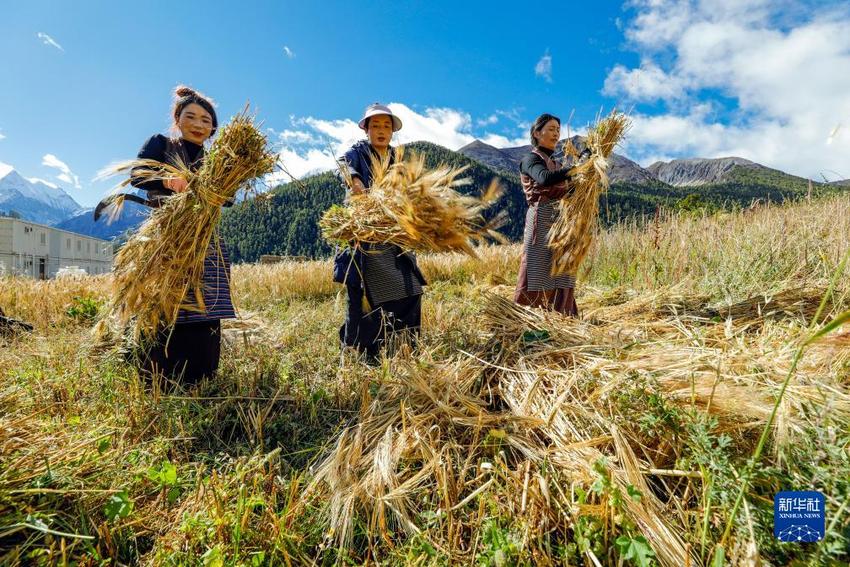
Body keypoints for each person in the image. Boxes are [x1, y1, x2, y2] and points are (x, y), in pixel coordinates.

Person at [104, 85, 236, 385]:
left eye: (206, 120)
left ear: (213, 128)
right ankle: (161, 375)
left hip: (205, 240)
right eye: (191, 117)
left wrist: (217, 190)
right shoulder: (161, 143)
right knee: (165, 302)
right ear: (178, 119)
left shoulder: (217, 161)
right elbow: (138, 175)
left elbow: (228, 198)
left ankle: (202, 374)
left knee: (207, 303)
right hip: (166, 237)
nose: (198, 125)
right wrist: (170, 181)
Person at [334, 103, 427, 361]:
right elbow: (342, 164)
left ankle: (404, 350)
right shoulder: (358, 153)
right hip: (366, 237)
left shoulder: (398, 159)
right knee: (364, 298)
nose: (381, 130)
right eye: (375, 125)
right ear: (366, 129)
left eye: (386, 126)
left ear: (393, 131)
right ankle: (360, 355)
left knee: (409, 289)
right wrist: (354, 180)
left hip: (394, 236)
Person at [514, 113, 589, 315]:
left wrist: (587, 174)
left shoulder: (555, 164)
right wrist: (575, 168)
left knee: (563, 268)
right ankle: (528, 319)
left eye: (558, 129)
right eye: (551, 129)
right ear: (537, 133)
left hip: (561, 221)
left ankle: (562, 317)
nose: (556, 133)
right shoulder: (531, 159)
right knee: (537, 268)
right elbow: (544, 179)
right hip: (541, 218)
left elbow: (569, 190)